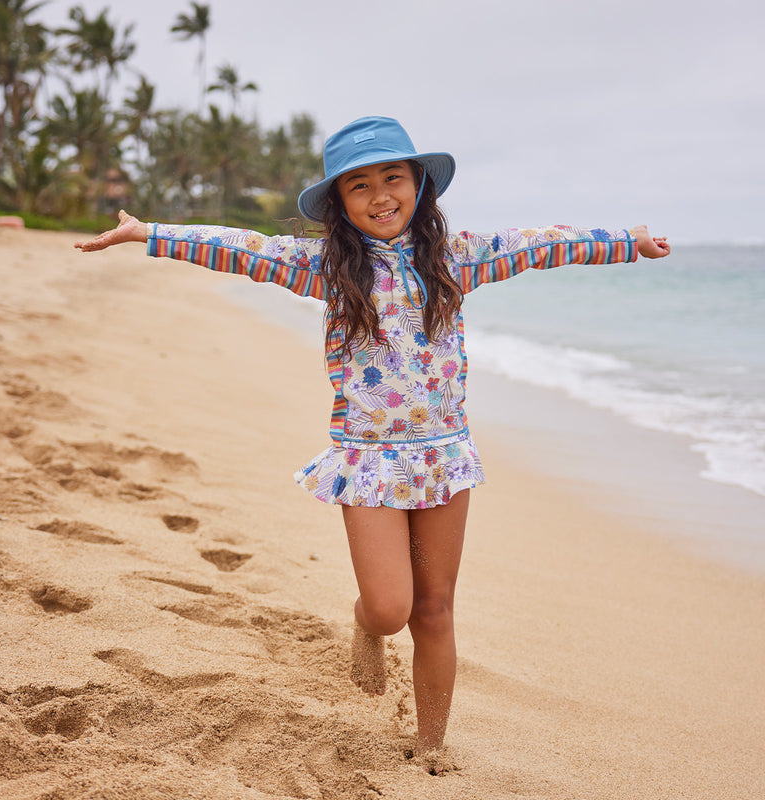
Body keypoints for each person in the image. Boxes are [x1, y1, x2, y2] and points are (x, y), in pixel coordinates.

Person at [75, 115, 670, 756]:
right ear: (339, 203)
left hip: (443, 457)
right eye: (360, 186)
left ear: (420, 184)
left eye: (394, 178)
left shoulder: (454, 258)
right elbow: (243, 247)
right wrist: (149, 234)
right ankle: (366, 628)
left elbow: (544, 243)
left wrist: (626, 240)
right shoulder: (327, 270)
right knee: (390, 608)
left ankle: (431, 746)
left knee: (435, 608)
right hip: (368, 460)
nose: (381, 196)